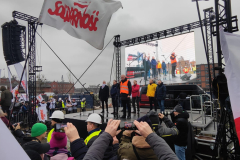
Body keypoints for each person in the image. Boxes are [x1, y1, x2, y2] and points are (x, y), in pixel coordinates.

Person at [82, 119, 178, 160]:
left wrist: (110, 136)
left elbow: (119, 152)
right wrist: (151, 135)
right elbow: (168, 155)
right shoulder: (160, 150)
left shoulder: (128, 150)